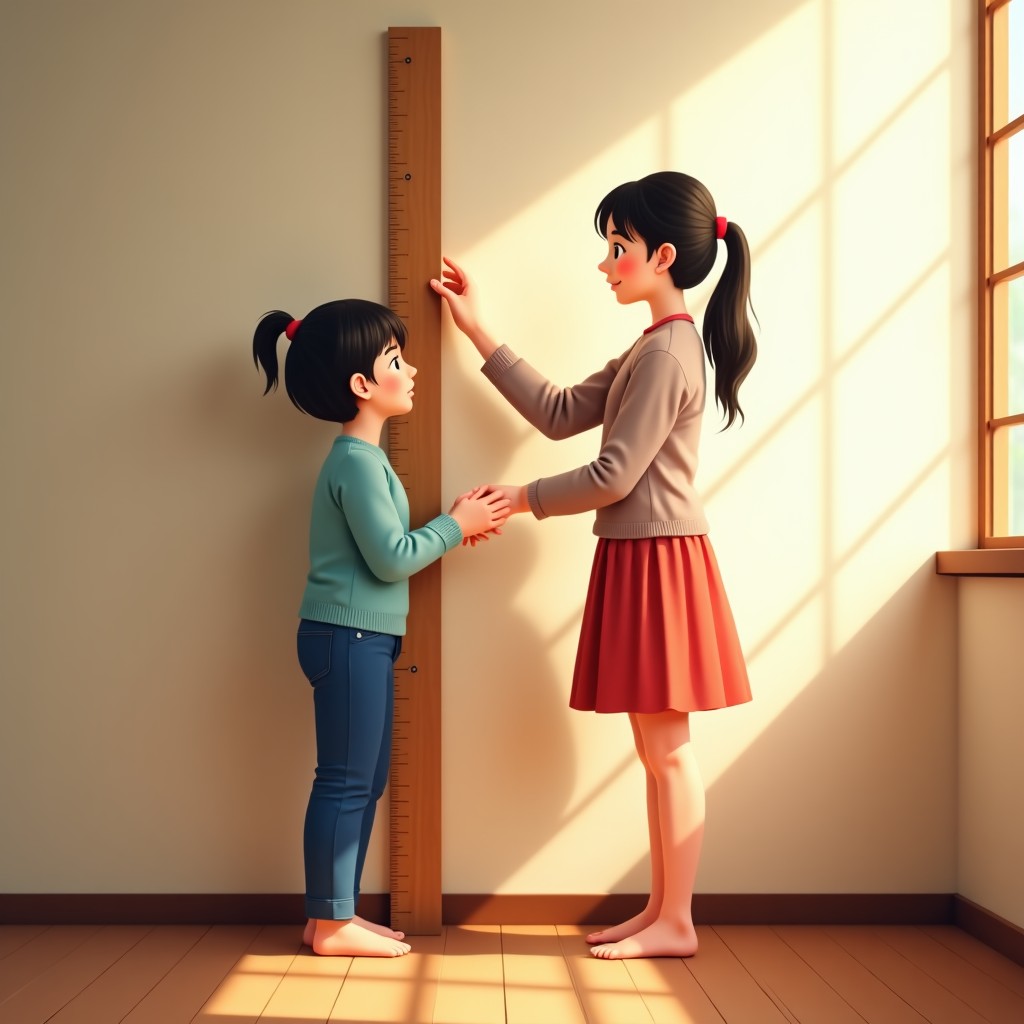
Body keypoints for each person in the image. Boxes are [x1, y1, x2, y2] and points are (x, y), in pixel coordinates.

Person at [430, 171, 756, 960]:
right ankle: (662, 910)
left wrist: (520, 498)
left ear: (665, 256)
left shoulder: (669, 354)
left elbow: (614, 474)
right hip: (642, 556)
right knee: (657, 751)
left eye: (619, 247)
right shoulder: (655, 345)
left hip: (660, 561)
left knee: (667, 751)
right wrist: (477, 330)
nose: (605, 263)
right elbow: (559, 412)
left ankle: (675, 920)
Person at [253, 299, 509, 957]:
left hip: (360, 639)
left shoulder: (363, 459)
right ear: (362, 386)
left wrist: (453, 523)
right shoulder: (357, 463)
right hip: (348, 639)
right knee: (345, 779)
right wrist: (459, 525)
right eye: (396, 360)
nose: (412, 368)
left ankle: (332, 915)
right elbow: (392, 557)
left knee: (362, 778)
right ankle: (332, 923)